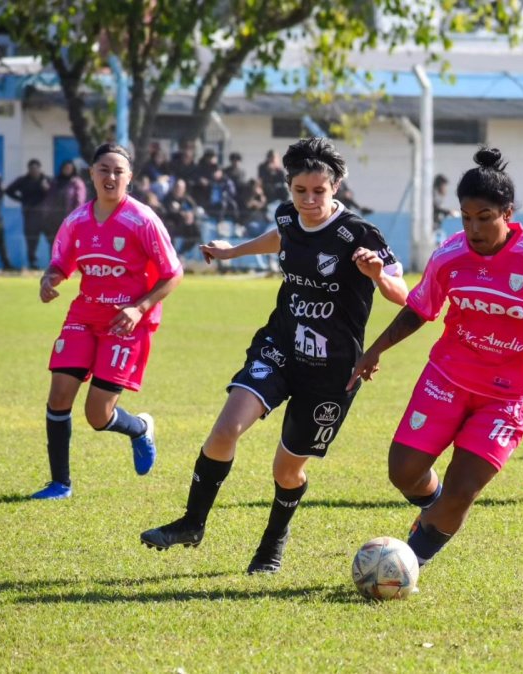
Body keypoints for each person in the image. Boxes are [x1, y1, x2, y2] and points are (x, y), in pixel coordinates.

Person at [140, 137, 408, 574]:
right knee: (226, 429)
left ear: (335, 187)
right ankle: (192, 522)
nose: (308, 200)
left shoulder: (360, 235)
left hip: (332, 370)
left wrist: (378, 276)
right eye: (299, 190)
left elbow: (404, 295)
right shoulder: (288, 215)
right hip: (281, 344)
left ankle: (271, 544)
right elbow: (283, 236)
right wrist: (234, 251)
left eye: (318, 191)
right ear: (289, 187)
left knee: (286, 471)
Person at [347, 147, 523, 569]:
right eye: (466, 218)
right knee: (403, 471)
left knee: (463, 489)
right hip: (446, 378)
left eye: (484, 217)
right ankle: (435, 509)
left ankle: (406, 564)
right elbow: (420, 309)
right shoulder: (450, 255)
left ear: (508, 213)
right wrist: (374, 350)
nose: (474, 228)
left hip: (508, 396)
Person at [31, 143, 183, 500]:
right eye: (104, 169)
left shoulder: (142, 220)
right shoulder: (76, 221)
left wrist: (139, 308)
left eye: (118, 171)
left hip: (125, 323)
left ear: (129, 178)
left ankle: (140, 428)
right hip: (84, 316)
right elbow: (60, 263)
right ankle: (60, 484)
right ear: (92, 174)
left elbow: (173, 274)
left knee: (97, 415)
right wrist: (49, 279)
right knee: (59, 395)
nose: (110, 177)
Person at [5, 159, 52, 269]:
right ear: (29, 169)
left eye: (36, 169)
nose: (34, 171)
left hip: (47, 216)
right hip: (30, 215)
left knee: (52, 240)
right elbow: (8, 190)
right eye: (32, 169)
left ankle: (54, 263)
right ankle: (33, 263)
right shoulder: (23, 181)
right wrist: (21, 199)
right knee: (31, 241)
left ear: (40, 169)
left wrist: (47, 189)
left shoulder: (48, 180)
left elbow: (56, 194)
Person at [44, 160, 88, 245]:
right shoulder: (56, 181)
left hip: (70, 218)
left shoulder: (76, 182)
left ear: (73, 169)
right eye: (65, 168)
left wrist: (74, 216)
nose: (67, 170)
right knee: (54, 243)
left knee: (69, 242)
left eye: (69, 168)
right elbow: (49, 198)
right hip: (54, 219)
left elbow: (80, 200)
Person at [432, 174, 459, 244]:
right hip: (432, 226)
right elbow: (435, 209)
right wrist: (448, 212)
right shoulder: (434, 195)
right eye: (444, 186)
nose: (445, 189)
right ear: (439, 186)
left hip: (436, 226)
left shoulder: (438, 196)